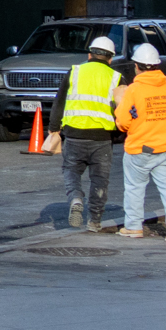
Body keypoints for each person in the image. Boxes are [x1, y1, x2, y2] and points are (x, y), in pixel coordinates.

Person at [115, 43, 166, 243]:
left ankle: (133, 227)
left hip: (140, 149)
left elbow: (123, 122)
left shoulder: (134, 90)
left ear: (137, 66)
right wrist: (164, 127)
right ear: (157, 66)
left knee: (134, 187)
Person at [52, 34, 122, 231]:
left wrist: (53, 128)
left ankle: (75, 197)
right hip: (102, 138)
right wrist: (118, 134)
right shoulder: (117, 78)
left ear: (90, 54)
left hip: (74, 134)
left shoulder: (74, 72)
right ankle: (95, 221)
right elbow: (123, 110)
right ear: (110, 58)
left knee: (71, 170)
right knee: (100, 180)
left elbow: (59, 101)